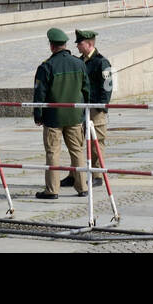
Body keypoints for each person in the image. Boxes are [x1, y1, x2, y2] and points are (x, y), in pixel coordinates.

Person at [32, 27, 91, 199]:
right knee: (77, 151)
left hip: (53, 117)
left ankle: (52, 190)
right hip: (74, 116)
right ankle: (82, 187)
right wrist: (84, 111)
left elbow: (39, 94)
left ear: (51, 46)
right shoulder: (79, 63)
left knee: (53, 153)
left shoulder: (46, 66)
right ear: (65, 44)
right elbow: (86, 90)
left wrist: (38, 115)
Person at [61, 29, 112, 188]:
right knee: (75, 142)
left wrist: (100, 108)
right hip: (80, 108)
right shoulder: (79, 61)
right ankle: (75, 174)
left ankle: (97, 175)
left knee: (96, 142)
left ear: (89, 44)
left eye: (80, 44)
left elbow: (107, 87)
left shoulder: (101, 62)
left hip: (95, 108)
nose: (77, 46)